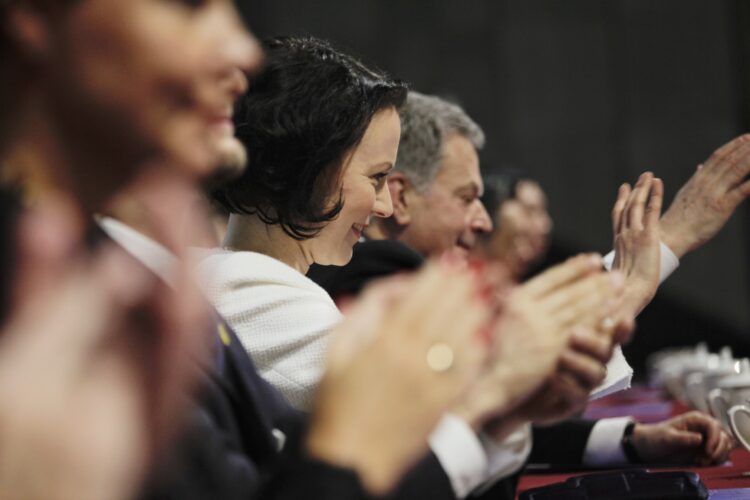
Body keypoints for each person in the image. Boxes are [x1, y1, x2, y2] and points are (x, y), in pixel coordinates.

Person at [0, 2, 499, 499]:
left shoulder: (124, 272)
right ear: (33, 17)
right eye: (188, 7)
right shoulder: (207, 283)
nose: (240, 50)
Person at [202, 35, 629, 499]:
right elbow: (430, 419)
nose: (384, 204)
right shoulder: (255, 291)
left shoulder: (257, 282)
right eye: (377, 178)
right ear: (313, 169)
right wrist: (623, 290)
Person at [308, 91, 736, 481]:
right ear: (400, 198)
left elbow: (494, 419)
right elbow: (491, 401)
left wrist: (630, 439)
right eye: (466, 197)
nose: (483, 220)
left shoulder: (390, 269)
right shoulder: (378, 270)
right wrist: (633, 286)